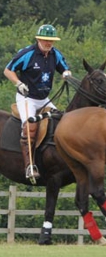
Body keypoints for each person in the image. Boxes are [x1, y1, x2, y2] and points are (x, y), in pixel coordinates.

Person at [4, 24, 72, 180]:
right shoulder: (27, 53)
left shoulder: (55, 54)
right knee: (30, 127)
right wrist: (18, 83)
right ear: (39, 39)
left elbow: (64, 68)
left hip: (44, 99)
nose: (49, 43)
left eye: (51, 41)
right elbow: (8, 70)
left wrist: (67, 73)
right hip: (27, 98)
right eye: (46, 40)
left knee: (62, 121)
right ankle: (29, 166)